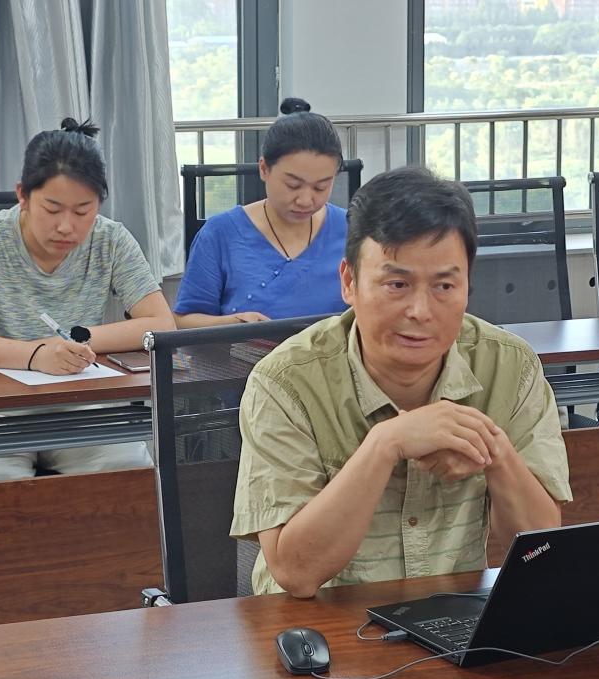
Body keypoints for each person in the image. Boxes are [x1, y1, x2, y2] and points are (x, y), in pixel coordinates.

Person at [230, 166, 571, 597]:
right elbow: (295, 573)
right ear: (349, 281)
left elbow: (540, 549)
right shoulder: (285, 383)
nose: (421, 311)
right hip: (319, 625)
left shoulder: (509, 366)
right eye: (397, 284)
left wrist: (494, 452)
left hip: (451, 618)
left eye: (444, 286)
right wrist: (385, 443)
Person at [0, 117, 176, 484]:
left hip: (81, 404)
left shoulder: (111, 239)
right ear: (22, 195)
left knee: (129, 480)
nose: (67, 226)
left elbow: (161, 324)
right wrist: (37, 355)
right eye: (52, 209)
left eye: (83, 211)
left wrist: (76, 341)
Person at [173, 98, 348, 327]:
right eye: (293, 185)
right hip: (245, 351)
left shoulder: (353, 230)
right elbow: (184, 321)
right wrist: (234, 324)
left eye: (321, 187)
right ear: (264, 169)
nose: (306, 200)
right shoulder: (221, 234)